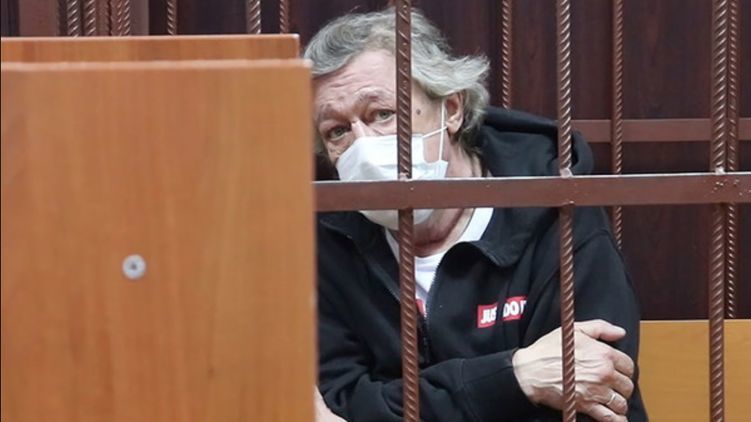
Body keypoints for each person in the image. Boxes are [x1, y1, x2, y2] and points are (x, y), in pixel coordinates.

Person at [306, 8, 647, 422]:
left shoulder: (556, 209)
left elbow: (593, 389)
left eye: (382, 114)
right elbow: (339, 403)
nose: (362, 145)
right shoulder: (327, 241)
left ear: (451, 109)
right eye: (337, 131)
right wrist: (515, 377)